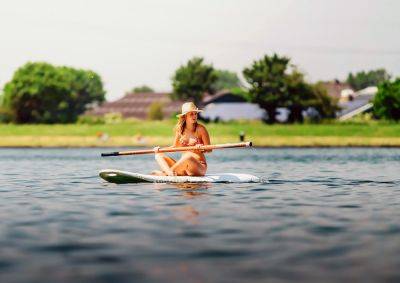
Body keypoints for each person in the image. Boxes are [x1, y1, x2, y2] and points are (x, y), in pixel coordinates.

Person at [152, 102, 211, 176]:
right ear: (185, 116)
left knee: (188, 156)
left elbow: (209, 149)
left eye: (195, 114)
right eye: (191, 114)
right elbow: (175, 147)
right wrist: (160, 150)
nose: (194, 116)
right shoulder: (180, 130)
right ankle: (170, 173)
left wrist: (202, 148)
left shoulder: (201, 129)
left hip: (199, 167)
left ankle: (166, 174)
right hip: (185, 169)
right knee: (158, 155)